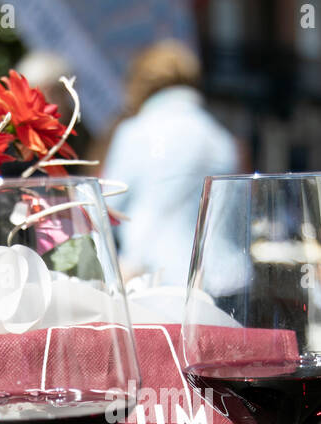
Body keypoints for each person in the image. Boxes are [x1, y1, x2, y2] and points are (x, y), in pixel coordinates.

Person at [102, 40, 239, 285]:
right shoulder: (221, 138)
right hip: (224, 279)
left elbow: (105, 209)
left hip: (157, 280)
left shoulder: (136, 132)